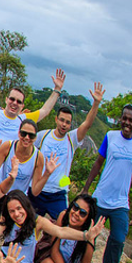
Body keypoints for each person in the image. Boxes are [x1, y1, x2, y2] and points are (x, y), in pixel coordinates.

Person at [0, 42, 64, 184]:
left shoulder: (23, 121)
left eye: (19, 101)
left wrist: (56, 90)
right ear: (6, 99)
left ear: (22, 106)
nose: (14, 103)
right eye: (12, 99)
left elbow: (45, 110)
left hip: (0, 179)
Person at [82, 104, 132, 263]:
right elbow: (98, 163)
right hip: (100, 199)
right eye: (124, 118)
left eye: (131, 120)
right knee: (87, 239)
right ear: (121, 119)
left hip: (120, 205)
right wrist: (86, 189)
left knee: (116, 244)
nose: (127, 123)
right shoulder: (110, 136)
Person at [31, 82, 105, 219]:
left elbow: (87, 124)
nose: (64, 124)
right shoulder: (43, 135)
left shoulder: (72, 139)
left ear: (71, 124)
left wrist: (96, 104)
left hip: (58, 193)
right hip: (38, 189)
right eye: (62, 120)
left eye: (67, 122)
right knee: (28, 225)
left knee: (62, 225)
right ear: (56, 119)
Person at [0, 119, 58, 196]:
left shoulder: (38, 157)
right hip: (0, 191)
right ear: (19, 133)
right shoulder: (8, 146)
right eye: (23, 134)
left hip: (18, 197)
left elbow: (35, 191)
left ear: (35, 137)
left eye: (31, 135)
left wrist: (47, 174)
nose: (27, 138)